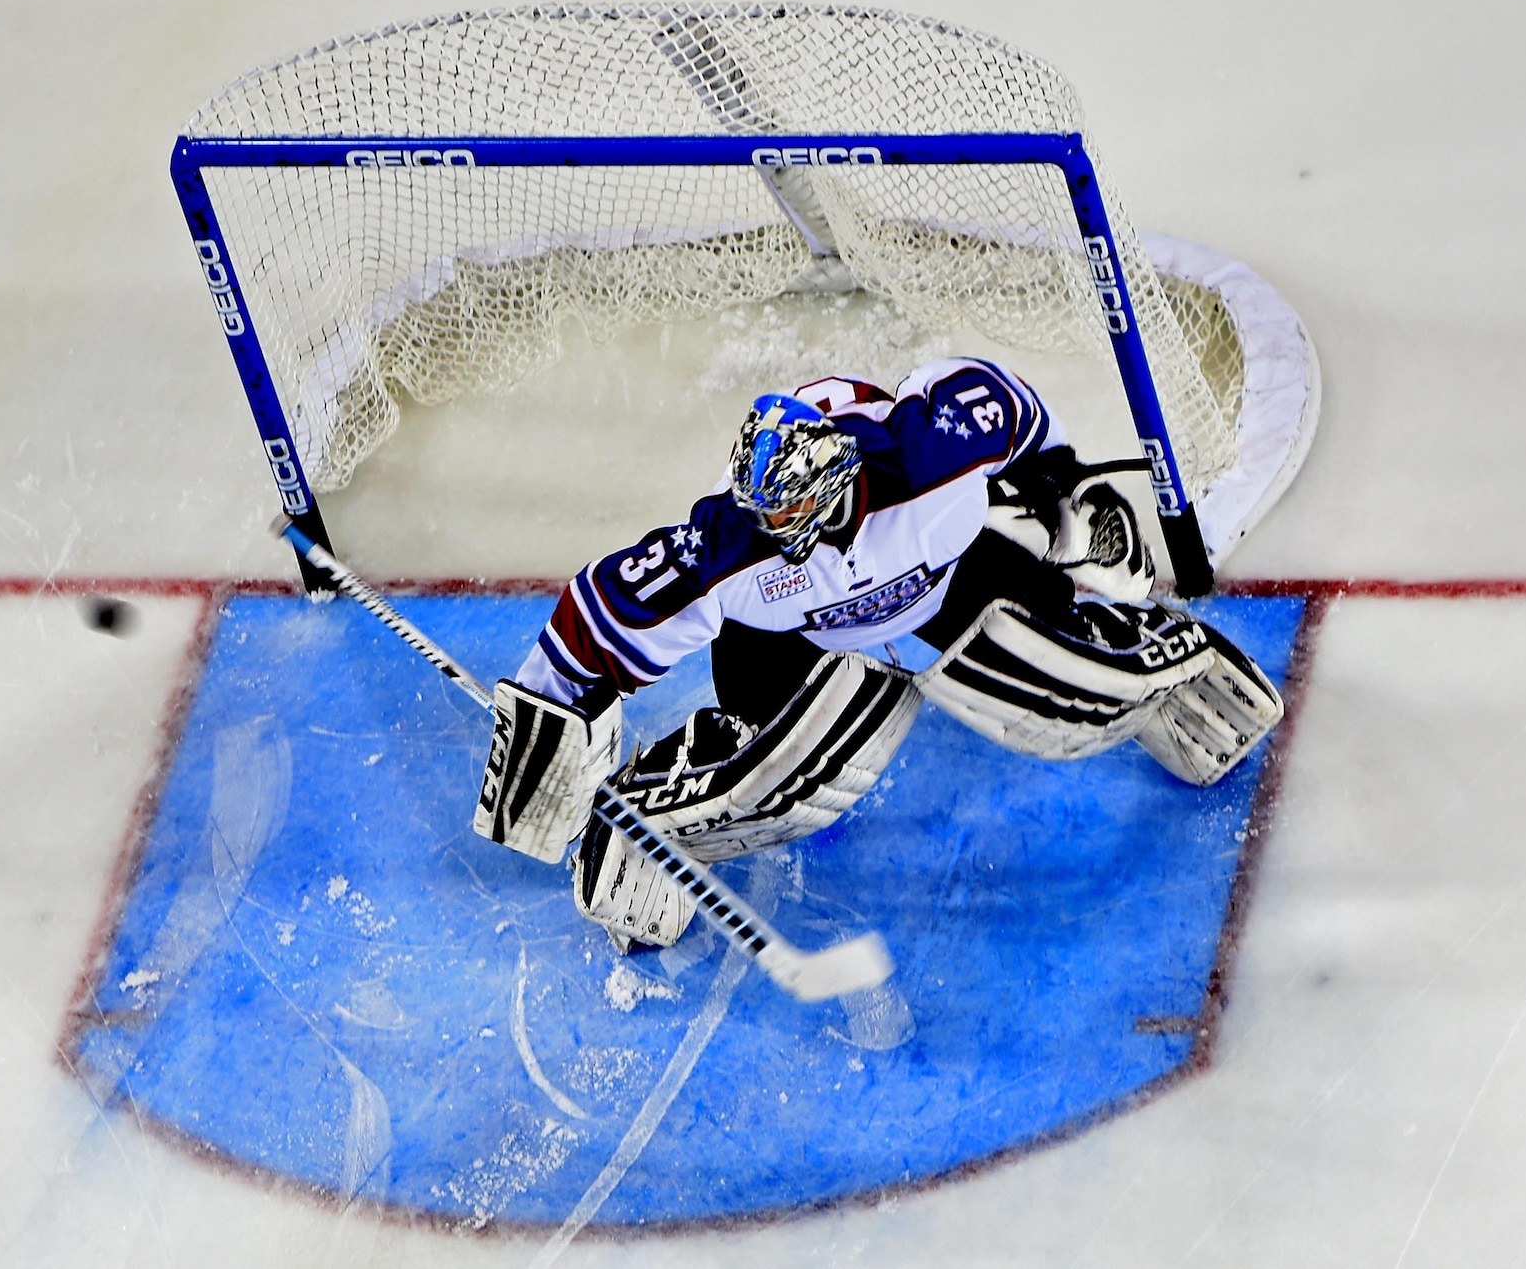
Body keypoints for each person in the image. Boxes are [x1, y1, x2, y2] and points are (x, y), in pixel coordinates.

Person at [472, 357, 1284, 951]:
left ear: (835, 489)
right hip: (794, 642)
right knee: (775, 766)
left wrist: (1061, 483)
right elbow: (597, 610)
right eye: (762, 513)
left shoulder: (931, 452)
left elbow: (1010, 405)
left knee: (1052, 660)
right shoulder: (731, 541)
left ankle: (1153, 665)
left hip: (944, 589)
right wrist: (547, 719)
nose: (770, 533)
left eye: (789, 515)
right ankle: (664, 801)